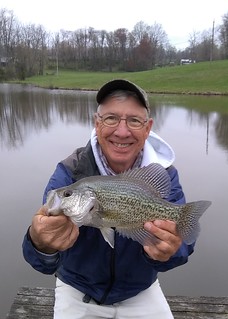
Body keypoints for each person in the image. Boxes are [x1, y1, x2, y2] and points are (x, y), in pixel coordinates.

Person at [22, 79, 195, 319]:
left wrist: (170, 249)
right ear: (97, 123)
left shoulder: (164, 174)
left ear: (148, 127)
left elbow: (183, 247)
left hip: (140, 291)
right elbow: (43, 262)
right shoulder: (69, 172)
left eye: (134, 120)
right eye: (111, 118)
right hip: (76, 290)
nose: (121, 131)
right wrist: (41, 243)